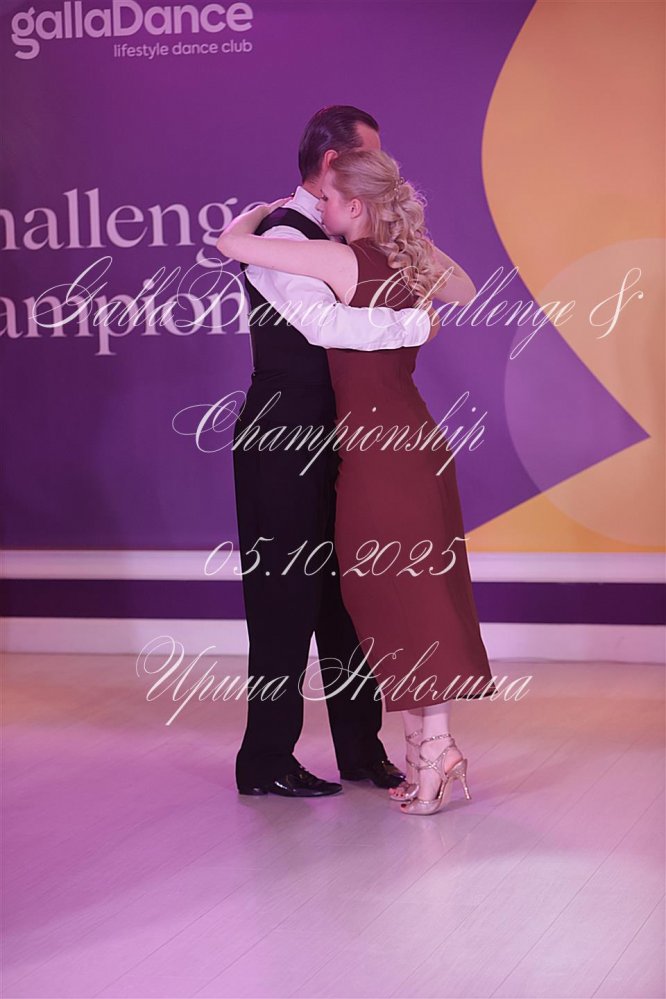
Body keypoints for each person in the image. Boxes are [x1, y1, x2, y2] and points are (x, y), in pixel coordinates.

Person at [218, 146, 498, 816]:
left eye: (332, 201)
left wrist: (256, 214)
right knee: (403, 596)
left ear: (353, 204)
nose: (322, 210)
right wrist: (413, 305)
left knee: (400, 600)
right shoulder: (406, 259)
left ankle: (433, 749)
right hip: (411, 440)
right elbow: (464, 290)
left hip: (377, 453)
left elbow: (232, 246)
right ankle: (424, 749)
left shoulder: (338, 259)